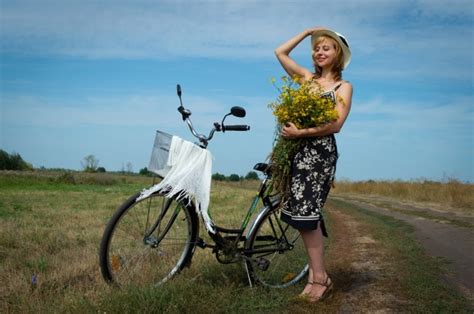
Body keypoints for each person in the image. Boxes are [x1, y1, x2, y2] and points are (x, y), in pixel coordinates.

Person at [274, 27, 353, 302]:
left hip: (320, 154)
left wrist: (302, 133)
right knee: (302, 216)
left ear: (338, 55)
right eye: (316, 48)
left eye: (326, 48)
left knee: (307, 215)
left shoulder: (343, 87)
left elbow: (336, 125)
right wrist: (307, 31)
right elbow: (280, 52)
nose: (319, 52)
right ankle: (315, 276)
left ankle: (320, 278)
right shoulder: (307, 80)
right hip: (298, 152)